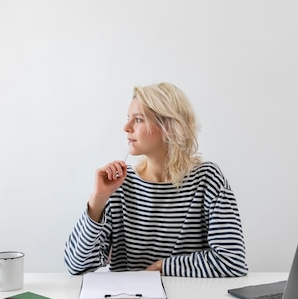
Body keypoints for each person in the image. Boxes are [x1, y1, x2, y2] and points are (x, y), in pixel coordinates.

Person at [64, 82, 248, 277]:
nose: (126, 127)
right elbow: (76, 265)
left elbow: (232, 261)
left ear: (168, 126)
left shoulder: (208, 179)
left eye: (138, 119)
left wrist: (163, 267)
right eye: (128, 119)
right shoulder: (120, 185)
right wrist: (98, 200)